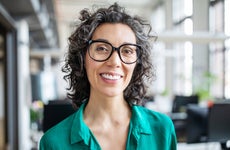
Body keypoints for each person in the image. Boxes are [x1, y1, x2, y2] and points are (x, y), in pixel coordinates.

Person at [39, 3, 177, 150]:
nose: (114, 62)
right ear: (82, 58)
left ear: (137, 64)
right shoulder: (53, 142)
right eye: (102, 48)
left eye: (127, 51)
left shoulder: (162, 130)